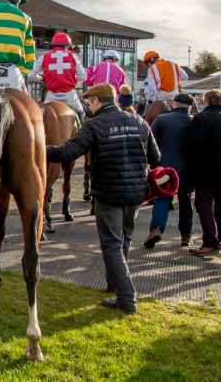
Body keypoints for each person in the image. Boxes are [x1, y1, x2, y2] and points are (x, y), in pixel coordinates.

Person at [47, 84, 160, 315]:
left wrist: (38, 146)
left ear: (97, 101)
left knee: (112, 245)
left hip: (109, 193)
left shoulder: (94, 125)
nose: (88, 106)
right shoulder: (139, 121)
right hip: (136, 192)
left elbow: (68, 153)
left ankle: (127, 298)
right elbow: (155, 158)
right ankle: (116, 287)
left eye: (89, 102)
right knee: (124, 239)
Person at [143, 93, 194, 248]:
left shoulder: (161, 120)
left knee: (162, 200)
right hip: (187, 170)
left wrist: (151, 166)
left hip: (165, 169)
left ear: (174, 104)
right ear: (189, 106)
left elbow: (148, 143)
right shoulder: (194, 121)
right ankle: (185, 235)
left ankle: (156, 229)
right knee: (185, 201)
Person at [186, 89, 221, 256]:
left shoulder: (200, 118)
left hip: (206, 170)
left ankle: (210, 241)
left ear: (207, 101)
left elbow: (192, 146)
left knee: (203, 204)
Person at [29, 32, 87, 118]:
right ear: (67, 45)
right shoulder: (73, 56)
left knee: (41, 117)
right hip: (70, 96)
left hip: (51, 96)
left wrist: (41, 78)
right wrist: (73, 78)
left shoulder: (44, 56)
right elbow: (83, 76)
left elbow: (31, 76)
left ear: (53, 45)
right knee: (81, 112)